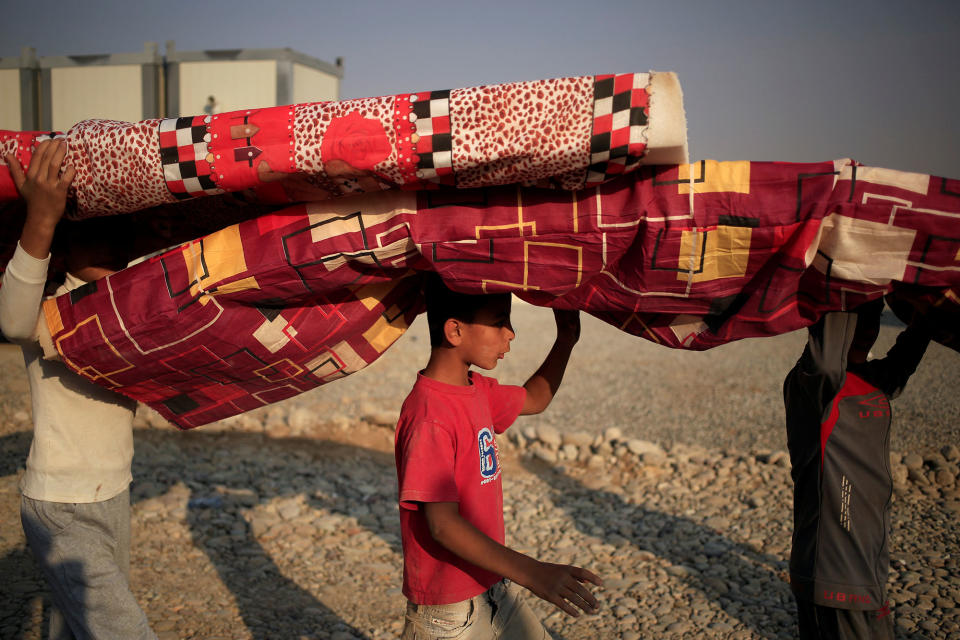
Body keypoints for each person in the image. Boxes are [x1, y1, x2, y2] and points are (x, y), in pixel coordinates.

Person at [0, 140, 157, 639]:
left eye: (123, 230)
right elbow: (12, 320)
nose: (116, 243)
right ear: (64, 249)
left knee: (77, 627)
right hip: (61, 505)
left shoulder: (129, 309)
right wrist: (40, 220)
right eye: (97, 230)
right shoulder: (58, 309)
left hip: (112, 494)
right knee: (120, 629)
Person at [394, 274, 602, 639]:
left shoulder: (476, 390)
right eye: (498, 322)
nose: (511, 333)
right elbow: (443, 525)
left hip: (493, 587)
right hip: (448, 614)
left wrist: (566, 339)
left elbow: (535, 398)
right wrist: (534, 573)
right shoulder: (429, 416)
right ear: (454, 331)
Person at [783, 300, 930, 639]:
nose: (868, 330)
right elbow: (825, 353)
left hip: (867, 554)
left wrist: (930, 311)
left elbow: (910, 349)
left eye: (873, 320)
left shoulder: (873, 379)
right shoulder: (814, 384)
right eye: (859, 320)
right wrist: (846, 283)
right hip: (830, 561)